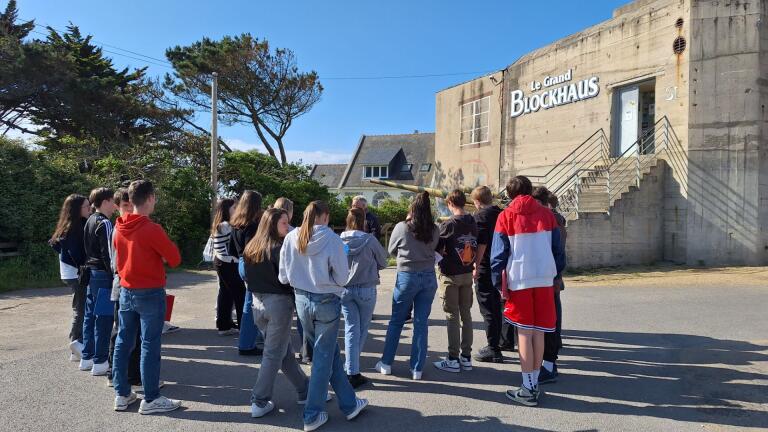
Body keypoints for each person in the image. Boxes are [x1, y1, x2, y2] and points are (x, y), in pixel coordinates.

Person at [279, 201, 368, 432]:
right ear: (325, 216)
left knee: (327, 355)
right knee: (322, 358)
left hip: (301, 300)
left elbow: (283, 276)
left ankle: (350, 404)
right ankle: (312, 413)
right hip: (326, 300)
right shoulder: (332, 239)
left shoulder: (291, 237)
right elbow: (342, 278)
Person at [490, 176, 565, 407]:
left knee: (524, 334)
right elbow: (558, 250)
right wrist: (555, 273)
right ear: (530, 191)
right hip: (544, 278)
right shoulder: (547, 215)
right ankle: (533, 384)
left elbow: (498, 255)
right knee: (540, 332)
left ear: (510, 194)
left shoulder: (505, 216)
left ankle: (528, 386)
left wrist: (498, 283)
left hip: (519, 279)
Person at [112, 180, 182, 414]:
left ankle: (122, 393)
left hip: (126, 290)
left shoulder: (118, 226)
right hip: (150, 291)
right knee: (149, 345)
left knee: (124, 341)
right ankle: (151, 398)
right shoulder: (152, 229)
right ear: (150, 197)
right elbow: (174, 258)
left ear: (130, 200)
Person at [239, 208, 309, 418]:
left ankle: (305, 390)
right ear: (272, 225)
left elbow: (245, 276)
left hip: (257, 304)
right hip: (278, 304)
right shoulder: (280, 249)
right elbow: (290, 279)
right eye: (284, 223)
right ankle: (259, 400)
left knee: (282, 351)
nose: (288, 227)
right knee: (273, 354)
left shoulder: (251, 247)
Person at [376, 192, 439, 380]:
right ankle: (417, 368)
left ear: (412, 209)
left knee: (396, 321)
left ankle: (386, 363)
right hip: (428, 276)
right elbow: (435, 247)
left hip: (406, 275)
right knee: (421, 323)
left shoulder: (402, 227)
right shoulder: (435, 229)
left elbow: (391, 250)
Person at [340, 208, 388, 388]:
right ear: (364, 221)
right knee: (362, 328)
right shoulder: (370, 240)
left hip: (344, 289)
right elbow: (383, 261)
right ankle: (352, 369)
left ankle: (351, 368)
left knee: (351, 328)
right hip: (366, 288)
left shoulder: (339, 240)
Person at [433, 190, 478, 373]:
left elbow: (437, 248)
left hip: (450, 274)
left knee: (452, 316)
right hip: (467, 272)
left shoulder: (449, 224)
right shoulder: (473, 222)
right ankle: (466, 357)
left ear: (451, 203)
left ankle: (452, 358)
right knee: (466, 314)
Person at [470, 186, 512, 364]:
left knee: (488, 308)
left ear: (477, 201)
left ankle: (493, 348)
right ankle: (504, 340)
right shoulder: (501, 213)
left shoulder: (480, 217)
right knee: (501, 305)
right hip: (502, 265)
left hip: (486, 266)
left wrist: (476, 266)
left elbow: (481, 244)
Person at [532, 188, 567, 384]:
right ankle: (549, 360)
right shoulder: (555, 219)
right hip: (551, 276)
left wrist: (555, 277)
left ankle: (549, 364)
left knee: (549, 322)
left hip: (550, 278)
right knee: (551, 321)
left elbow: (557, 252)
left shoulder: (551, 220)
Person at [107, 189, 142, 389]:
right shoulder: (118, 229)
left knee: (132, 334)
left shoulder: (132, 228)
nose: (129, 210)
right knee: (121, 332)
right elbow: (114, 263)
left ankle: (129, 374)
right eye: (124, 206)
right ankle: (117, 374)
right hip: (122, 286)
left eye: (131, 206)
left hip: (127, 285)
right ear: (117, 207)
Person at [81, 187, 117, 376]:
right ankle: (101, 361)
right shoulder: (105, 223)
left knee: (90, 316)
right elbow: (108, 254)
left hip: (91, 274)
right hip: (103, 275)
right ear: (105, 202)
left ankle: (87, 357)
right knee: (104, 318)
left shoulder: (89, 220)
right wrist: (114, 276)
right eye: (112, 201)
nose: (115, 206)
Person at [49, 193, 90, 363]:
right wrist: (84, 266)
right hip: (75, 275)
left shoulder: (73, 224)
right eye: (86, 206)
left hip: (72, 273)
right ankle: (75, 345)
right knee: (80, 309)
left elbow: (53, 243)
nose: (90, 209)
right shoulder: (74, 228)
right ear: (76, 209)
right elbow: (71, 252)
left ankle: (77, 344)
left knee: (81, 307)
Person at [274, 197, 312, 364]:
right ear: (289, 212)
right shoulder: (293, 232)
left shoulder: (264, 228)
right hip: (292, 280)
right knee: (302, 319)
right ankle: (306, 352)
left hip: (274, 280)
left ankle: (281, 350)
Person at [229, 190, 265, 355]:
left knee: (249, 304)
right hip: (253, 265)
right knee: (252, 306)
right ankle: (247, 344)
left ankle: (249, 340)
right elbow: (253, 248)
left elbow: (231, 249)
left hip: (241, 263)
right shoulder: (253, 225)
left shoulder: (236, 224)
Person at [210, 198, 240, 336]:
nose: (237, 210)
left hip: (222, 262)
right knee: (235, 294)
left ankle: (224, 324)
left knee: (226, 294)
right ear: (226, 210)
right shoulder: (226, 226)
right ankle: (228, 324)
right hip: (228, 263)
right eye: (234, 208)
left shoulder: (220, 225)